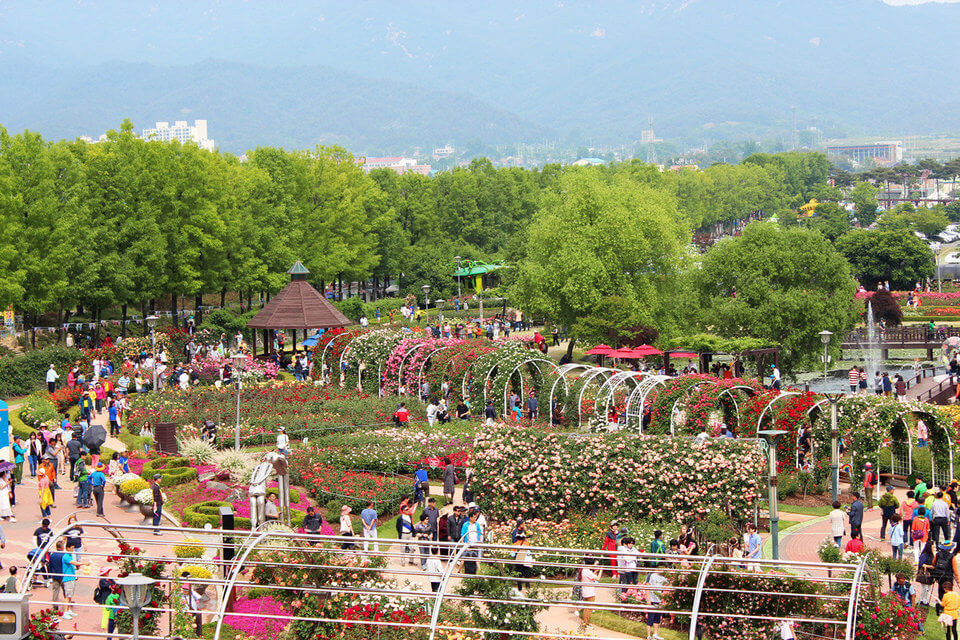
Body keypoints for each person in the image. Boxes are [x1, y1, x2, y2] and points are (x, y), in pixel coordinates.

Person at [646, 562, 668, 640]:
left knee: (657, 618)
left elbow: (668, 585)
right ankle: (648, 635)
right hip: (652, 599)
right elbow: (647, 587)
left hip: (658, 600)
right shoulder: (651, 575)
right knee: (650, 618)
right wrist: (648, 599)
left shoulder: (662, 577)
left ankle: (655, 634)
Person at [578, 557, 599, 629]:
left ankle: (585, 622)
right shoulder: (587, 571)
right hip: (590, 592)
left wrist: (595, 571)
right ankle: (585, 623)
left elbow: (591, 577)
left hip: (585, 591)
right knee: (589, 609)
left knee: (586, 608)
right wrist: (601, 570)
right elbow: (598, 578)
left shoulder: (584, 570)